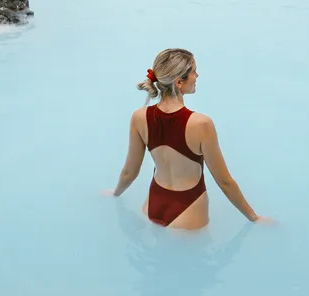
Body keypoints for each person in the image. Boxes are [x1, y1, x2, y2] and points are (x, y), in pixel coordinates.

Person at [106, 47, 272, 229]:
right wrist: (254, 218)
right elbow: (224, 182)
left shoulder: (139, 117)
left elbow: (129, 172)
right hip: (188, 212)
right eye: (193, 72)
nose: (197, 76)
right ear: (178, 82)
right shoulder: (201, 124)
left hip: (152, 205)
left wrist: (115, 194)